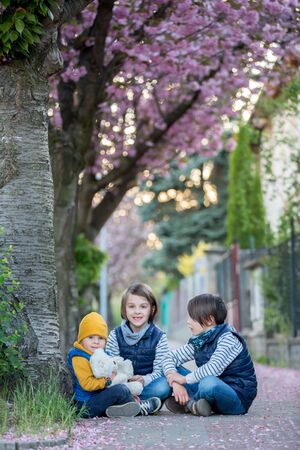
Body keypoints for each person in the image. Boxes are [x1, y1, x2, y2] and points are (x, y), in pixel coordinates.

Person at [162, 293, 257, 416]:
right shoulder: (200, 340)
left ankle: (188, 403)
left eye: (192, 318)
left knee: (208, 383)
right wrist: (175, 380)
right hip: (210, 393)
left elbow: (213, 368)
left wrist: (183, 380)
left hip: (236, 397)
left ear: (209, 320)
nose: (188, 322)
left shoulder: (229, 339)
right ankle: (197, 405)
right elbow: (169, 357)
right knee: (171, 372)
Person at [67, 311, 161, 418]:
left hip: (97, 398)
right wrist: (107, 381)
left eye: (101, 338)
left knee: (123, 388)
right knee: (120, 390)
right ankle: (139, 407)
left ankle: (122, 408)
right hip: (84, 406)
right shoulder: (79, 357)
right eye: (91, 337)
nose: (96, 342)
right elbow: (87, 384)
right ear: (81, 339)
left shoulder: (102, 354)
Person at [106, 282, 172, 404]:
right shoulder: (115, 335)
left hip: (147, 386)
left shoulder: (159, 337)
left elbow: (159, 371)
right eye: (131, 306)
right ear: (124, 309)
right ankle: (141, 404)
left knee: (164, 387)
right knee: (109, 386)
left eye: (143, 306)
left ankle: (127, 403)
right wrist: (124, 380)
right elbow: (111, 367)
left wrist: (144, 379)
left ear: (152, 309)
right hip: (122, 385)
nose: (137, 311)